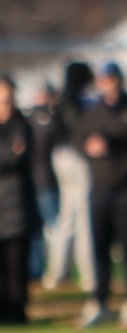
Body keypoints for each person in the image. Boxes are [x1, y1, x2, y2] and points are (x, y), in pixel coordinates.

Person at [72, 61, 127, 329]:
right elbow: (78, 141)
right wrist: (89, 148)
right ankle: (99, 302)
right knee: (99, 249)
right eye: (104, 80)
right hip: (100, 190)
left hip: (126, 193)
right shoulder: (93, 114)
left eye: (113, 79)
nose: (109, 84)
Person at [44, 61, 97, 292]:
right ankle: (88, 274)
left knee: (66, 217)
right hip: (77, 158)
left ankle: (57, 272)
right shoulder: (82, 101)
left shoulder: (60, 101)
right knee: (84, 217)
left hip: (60, 156)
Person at [0, 75, 39, 324]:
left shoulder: (22, 127)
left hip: (16, 207)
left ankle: (16, 312)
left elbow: (15, 159)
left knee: (16, 264)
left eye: (8, 98)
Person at [26, 82, 61, 281]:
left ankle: (50, 270)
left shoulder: (48, 118)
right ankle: (39, 271)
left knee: (51, 229)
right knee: (42, 229)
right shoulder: (38, 119)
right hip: (40, 182)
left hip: (45, 181)